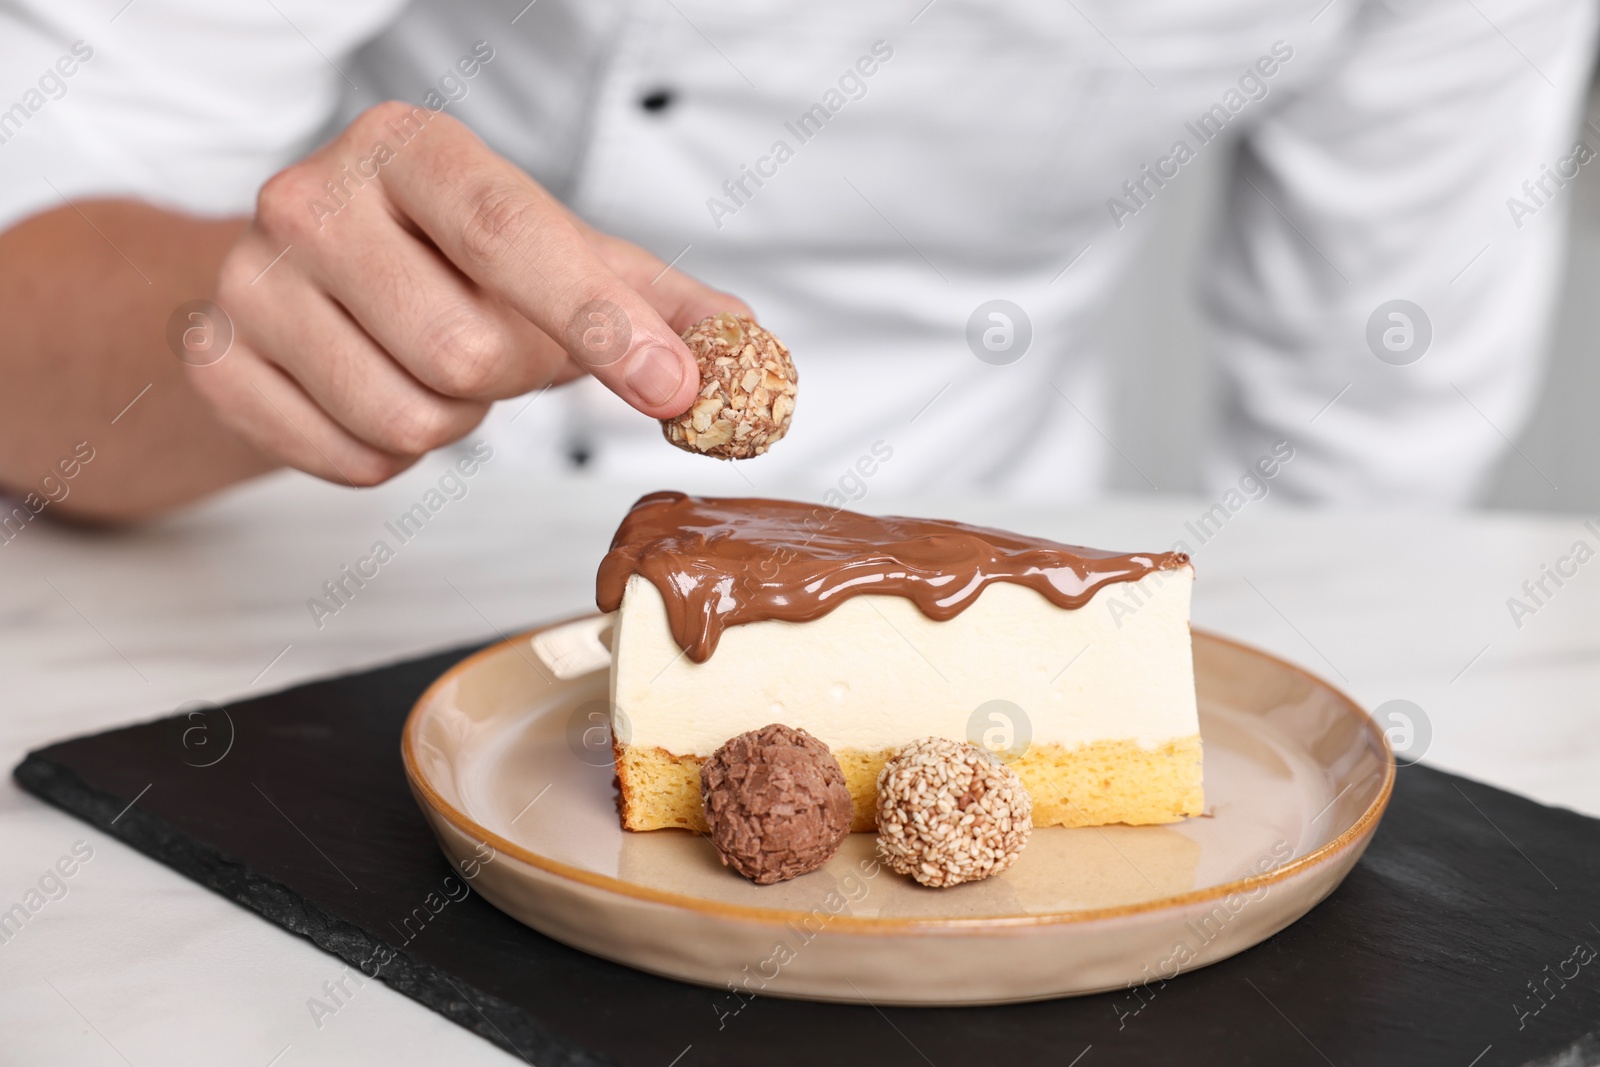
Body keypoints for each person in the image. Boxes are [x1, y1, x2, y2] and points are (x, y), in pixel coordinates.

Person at [0, 0, 1593, 522]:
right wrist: (259, 334)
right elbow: (30, 271)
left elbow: (1365, 452)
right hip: (285, 566)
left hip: (956, 597)